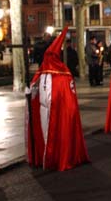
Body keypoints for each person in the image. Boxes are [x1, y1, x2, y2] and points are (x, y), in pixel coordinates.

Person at [26, 26, 90, 171]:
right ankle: (47, 158)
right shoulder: (42, 73)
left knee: (56, 136)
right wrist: (30, 91)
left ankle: (56, 158)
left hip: (59, 111)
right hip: (44, 110)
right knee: (45, 136)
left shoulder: (63, 74)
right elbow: (34, 94)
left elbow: (66, 96)